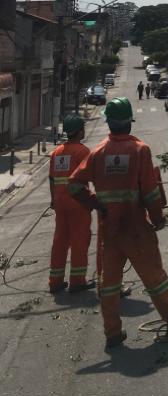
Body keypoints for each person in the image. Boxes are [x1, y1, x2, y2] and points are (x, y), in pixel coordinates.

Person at [67, 97, 168, 348]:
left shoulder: (98, 152)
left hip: (110, 229)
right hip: (136, 228)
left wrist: (96, 203)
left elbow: (73, 185)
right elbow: (150, 192)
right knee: (154, 278)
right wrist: (157, 218)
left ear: (108, 123)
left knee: (109, 283)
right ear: (129, 122)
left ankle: (112, 333)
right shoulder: (140, 150)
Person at [48, 114, 94, 294]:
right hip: (78, 203)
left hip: (60, 203)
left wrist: (53, 199)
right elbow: (91, 175)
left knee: (60, 241)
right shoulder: (82, 151)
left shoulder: (56, 152)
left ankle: (55, 281)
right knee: (79, 241)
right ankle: (77, 281)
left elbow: (52, 179)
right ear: (80, 131)